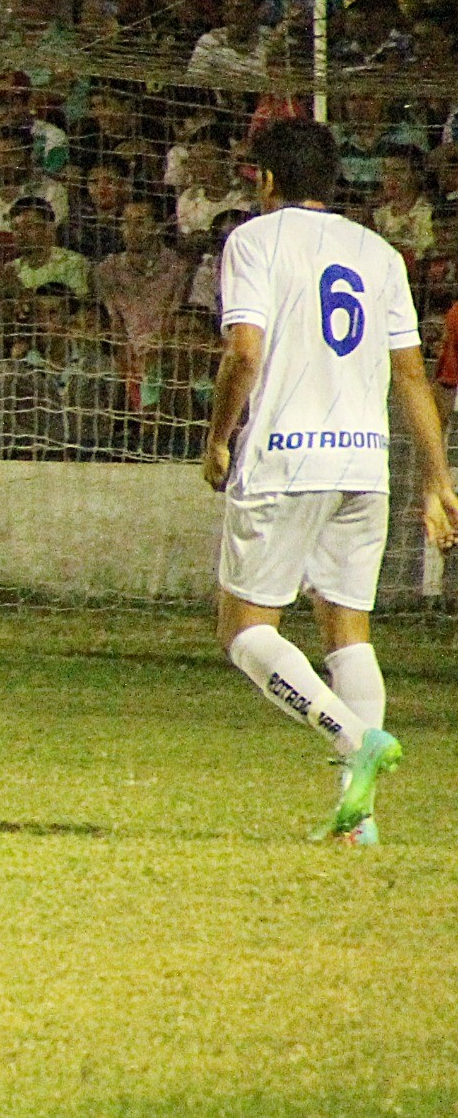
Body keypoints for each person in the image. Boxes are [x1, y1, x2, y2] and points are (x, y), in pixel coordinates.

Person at [200, 119, 458, 844]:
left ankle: (354, 738)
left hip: (285, 456)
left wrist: (219, 437)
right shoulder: (377, 252)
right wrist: (438, 477)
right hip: (361, 462)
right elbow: (411, 372)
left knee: (245, 630)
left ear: (267, 180)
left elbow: (243, 352)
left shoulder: (253, 241)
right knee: (347, 628)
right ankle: (359, 818)